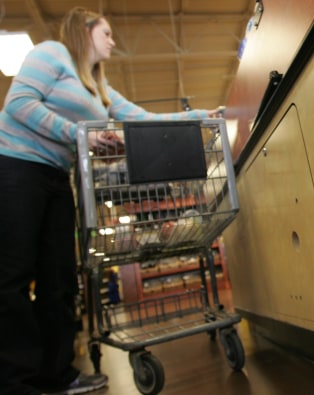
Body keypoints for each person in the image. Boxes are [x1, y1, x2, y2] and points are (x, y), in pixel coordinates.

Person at [0, 6, 223, 395]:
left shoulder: (99, 89)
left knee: (60, 279)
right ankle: (15, 381)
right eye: (106, 33)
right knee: (13, 276)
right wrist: (80, 134)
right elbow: (18, 104)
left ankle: (57, 374)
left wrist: (198, 116)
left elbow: (141, 118)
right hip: (16, 168)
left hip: (57, 177)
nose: (113, 41)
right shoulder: (52, 53)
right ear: (84, 32)